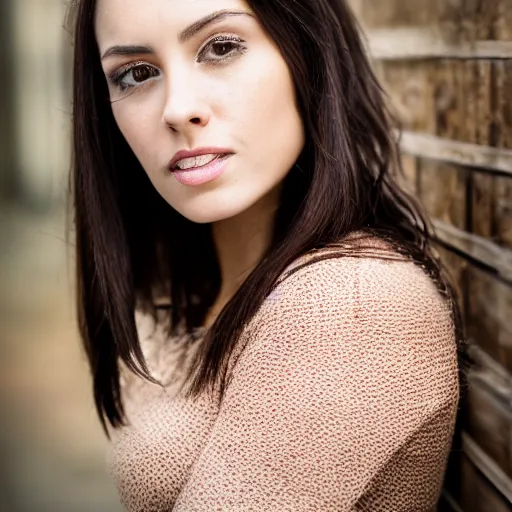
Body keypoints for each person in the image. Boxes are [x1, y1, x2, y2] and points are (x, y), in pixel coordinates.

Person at [70, 0, 470, 509]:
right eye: (136, 73)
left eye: (221, 47)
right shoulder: (187, 278)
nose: (177, 108)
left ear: (308, 52)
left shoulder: (351, 306)